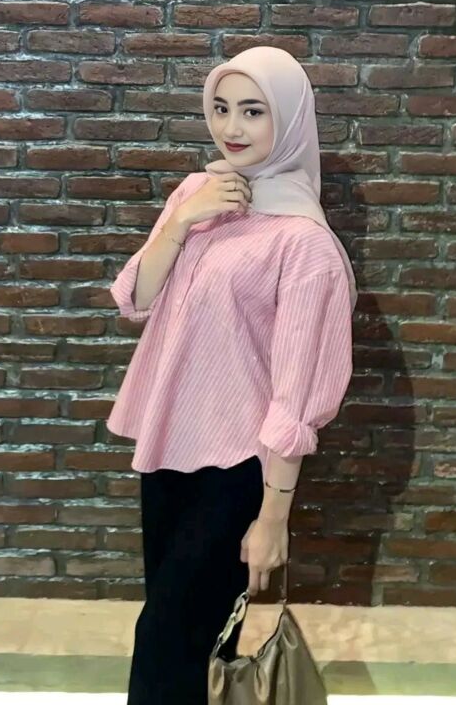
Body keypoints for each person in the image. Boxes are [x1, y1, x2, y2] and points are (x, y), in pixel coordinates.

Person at [106, 46, 358, 704]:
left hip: (240, 467)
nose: (231, 128)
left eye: (253, 111)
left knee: (165, 640)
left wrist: (273, 518)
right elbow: (136, 298)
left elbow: (296, 393)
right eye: (220, 108)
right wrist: (182, 220)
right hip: (170, 446)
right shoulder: (198, 193)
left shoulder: (305, 244)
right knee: (183, 638)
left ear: (290, 120)